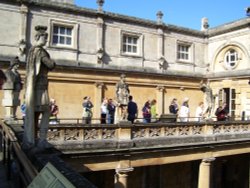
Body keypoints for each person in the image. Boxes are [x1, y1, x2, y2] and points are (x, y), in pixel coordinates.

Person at [23, 25, 56, 149]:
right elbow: (50, 64)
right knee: (46, 111)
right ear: (38, 37)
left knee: (35, 112)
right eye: (44, 38)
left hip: (34, 86)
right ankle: (42, 139)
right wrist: (53, 62)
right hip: (40, 87)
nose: (46, 40)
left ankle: (33, 138)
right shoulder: (40, 51)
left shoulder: (31, 51)